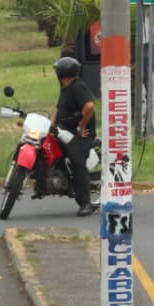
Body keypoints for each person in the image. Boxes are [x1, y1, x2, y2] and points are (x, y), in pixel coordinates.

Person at [51, 55, 96, 216]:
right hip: (63, 131)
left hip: (80, 136)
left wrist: (80, 127)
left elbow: (89, 106)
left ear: (62, 73)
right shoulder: (65, 88)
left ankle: (85, 203)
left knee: (77, 161)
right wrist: (51, 126)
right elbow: (58, 108)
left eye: (57, 71)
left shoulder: (78, 87)